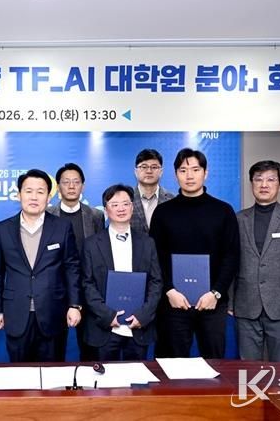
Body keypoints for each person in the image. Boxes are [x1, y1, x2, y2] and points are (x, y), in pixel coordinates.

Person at [149, 148, 239, 359]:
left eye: (195, 170)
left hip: (212, 303)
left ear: (205, 173)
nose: (189, 176)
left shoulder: (223, 211)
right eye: (183, 170)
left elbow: (232, 256)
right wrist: (169, 290)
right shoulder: (163, 212)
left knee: (214, 362)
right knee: (171, 363)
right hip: (173, 302)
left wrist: (216, 293)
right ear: (175, 174)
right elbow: (155, 257)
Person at [0, 169, 82, 362]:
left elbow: (71, 269)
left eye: (40, 192)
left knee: (53, 374)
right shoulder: (2, 229)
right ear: (18, 195)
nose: (34, 197)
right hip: (16, 313)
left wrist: (75, 305)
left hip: (53, 313)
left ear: (48, 197)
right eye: (28, 191)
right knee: (19, 374)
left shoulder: (62, 227)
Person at [232, 160, 280, 363]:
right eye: (258, 179)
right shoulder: (239, 219)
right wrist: (231, 302)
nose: (264, 185)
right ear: (251, 183)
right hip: (246, 306)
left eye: (271, 180)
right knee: (248, 369)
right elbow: (231, 262)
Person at [81, 184, 162, 361]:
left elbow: (156, 282)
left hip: (138, 326)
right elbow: (87, 284)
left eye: (126, 204)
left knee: (137, 377)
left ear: (132, 207)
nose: (121, 209)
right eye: (114, 204)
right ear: (105, 209)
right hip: (104, 327)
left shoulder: (147, 243)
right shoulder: (91, 244)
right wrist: (107, 315)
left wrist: (143, 315)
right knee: (104, 378)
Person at [46, 162, 104, 361]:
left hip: (88, 289)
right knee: (54, 350)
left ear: (83, 186)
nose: (71, 186)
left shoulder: (96, 216)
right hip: (56, 290)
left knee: (90, 349)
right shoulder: (47, 215)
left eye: (76, 182)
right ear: (58, 187)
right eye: (66, 182)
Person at [130, 149, 174, 235]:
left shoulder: (172, 200)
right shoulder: (127, 198)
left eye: (154, 167)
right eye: (144, 167)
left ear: (161, 172)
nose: (149, 171)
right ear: (136, 172)